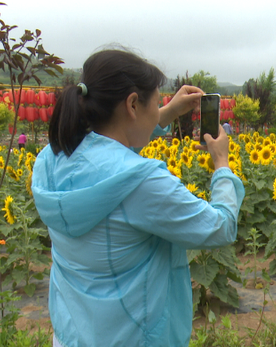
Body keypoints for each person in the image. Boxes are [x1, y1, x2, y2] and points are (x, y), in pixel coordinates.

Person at [31, 49, 245, 347]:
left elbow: (109, 155)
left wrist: (167, 112)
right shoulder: (142, 182)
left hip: (73, 336)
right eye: (156, 103)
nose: (159, 110)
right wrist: (221, 165)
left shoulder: (51, 159)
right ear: (132, 104)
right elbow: (220, 226)